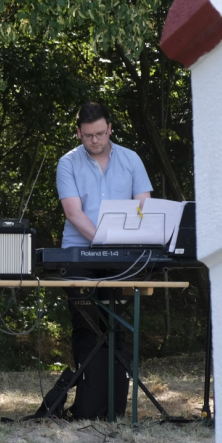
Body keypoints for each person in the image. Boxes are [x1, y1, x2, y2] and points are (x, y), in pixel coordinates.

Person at [41, 101, 152, 420]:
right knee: (85, 326)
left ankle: (114, 406)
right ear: (78, 133)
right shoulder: (67, 163)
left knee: (117, 327)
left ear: (110, 129)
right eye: (88, 135)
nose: (95, 140)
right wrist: (105, 242)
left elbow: (143, 206)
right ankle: (88, 405)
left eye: (101, 133)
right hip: (80, 253)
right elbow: (73, 212)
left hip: (123, 255)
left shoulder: (131, 159)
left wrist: (122, 243)